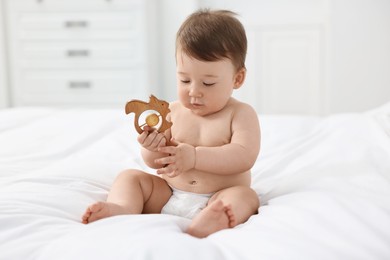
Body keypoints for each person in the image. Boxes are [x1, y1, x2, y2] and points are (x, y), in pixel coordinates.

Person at [82, 9, 261, 238]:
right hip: (167, 193)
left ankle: (215, 219)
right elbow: (154, 162)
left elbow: (244, 156)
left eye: (208, 83)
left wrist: (194, 157)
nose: (194, 91)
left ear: (237, 79)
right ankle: (122, 208)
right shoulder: (173, 111)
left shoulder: (240, 114)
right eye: (184, 79)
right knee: (130, 177)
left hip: (217, 196)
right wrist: (152, 146)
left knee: (245, 197)